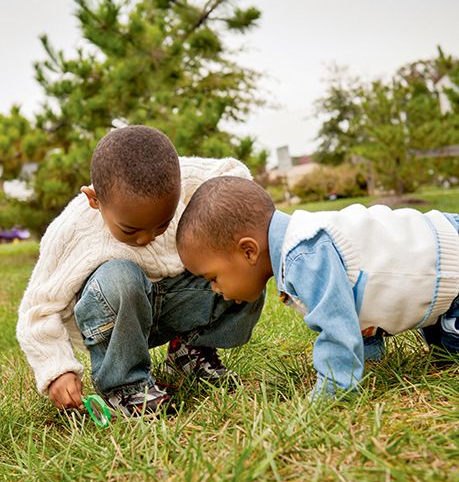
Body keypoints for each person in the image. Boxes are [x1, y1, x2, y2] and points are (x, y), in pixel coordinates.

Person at [17, 126, 264, 416]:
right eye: (131, 229)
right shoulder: (72, 232)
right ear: (94, 200)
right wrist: (56, 369)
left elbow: (235, 176)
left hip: (173, 299)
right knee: (121, 278)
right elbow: (37, 310)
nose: (147, 238)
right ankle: (125, 386)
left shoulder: (185, 179)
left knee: (246, 270)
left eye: (161, 224)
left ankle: (191, 351)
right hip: (115, 314)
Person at [176, 176, 459, 398]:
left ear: (248, 251)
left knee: (451, 349)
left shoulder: (304, 256)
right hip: (436, 261)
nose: (214, 288)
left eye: (212, 277)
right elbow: (357, 295)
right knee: (443, 355)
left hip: (449, 258)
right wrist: (368, 353)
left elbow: (337, 325)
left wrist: (334, 390)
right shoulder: (302, 245)